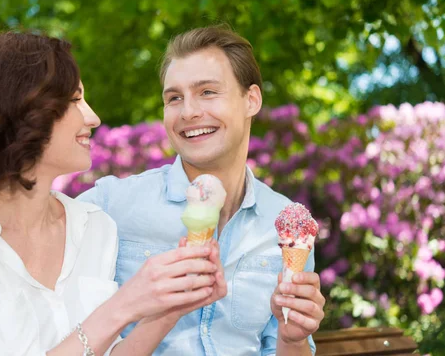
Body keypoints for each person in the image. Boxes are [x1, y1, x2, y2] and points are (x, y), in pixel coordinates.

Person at [0, 32, 227, 355]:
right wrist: (124, 305)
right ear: (18, 112)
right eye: (74, 99)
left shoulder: (93, 227)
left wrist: (168, 309)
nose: (93, 117)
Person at [77, 26, 325, 355]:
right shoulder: (111, 204)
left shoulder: (285, 225)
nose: (189, 112)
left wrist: (291, 339)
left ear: (251, 100)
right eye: (174, 98)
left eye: (207, 92)